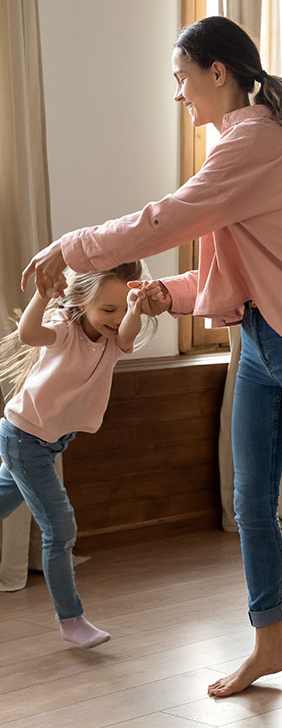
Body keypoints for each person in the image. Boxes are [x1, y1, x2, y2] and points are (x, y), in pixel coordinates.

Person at [21, 16, 282, 710]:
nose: (179, 93)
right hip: (259, 343)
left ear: (217, 73)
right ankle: (268, 640)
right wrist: (163, 294)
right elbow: (221, 279)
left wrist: (72, 246)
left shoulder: (255, 139)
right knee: (251, 507)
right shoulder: (243, 143)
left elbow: (164, 219)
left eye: (182, 78)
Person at [0, 262, 151, 648]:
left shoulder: (115, 341)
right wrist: (41, 294)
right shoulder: (65, 329)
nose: (116, 321)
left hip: (49, 441)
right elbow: (29, 333)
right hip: (24, 438)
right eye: (108, 310)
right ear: (81, 303)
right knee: (60, 527)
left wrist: (134, 307)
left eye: (123, 309)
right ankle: (71, 620)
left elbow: (130, 332)